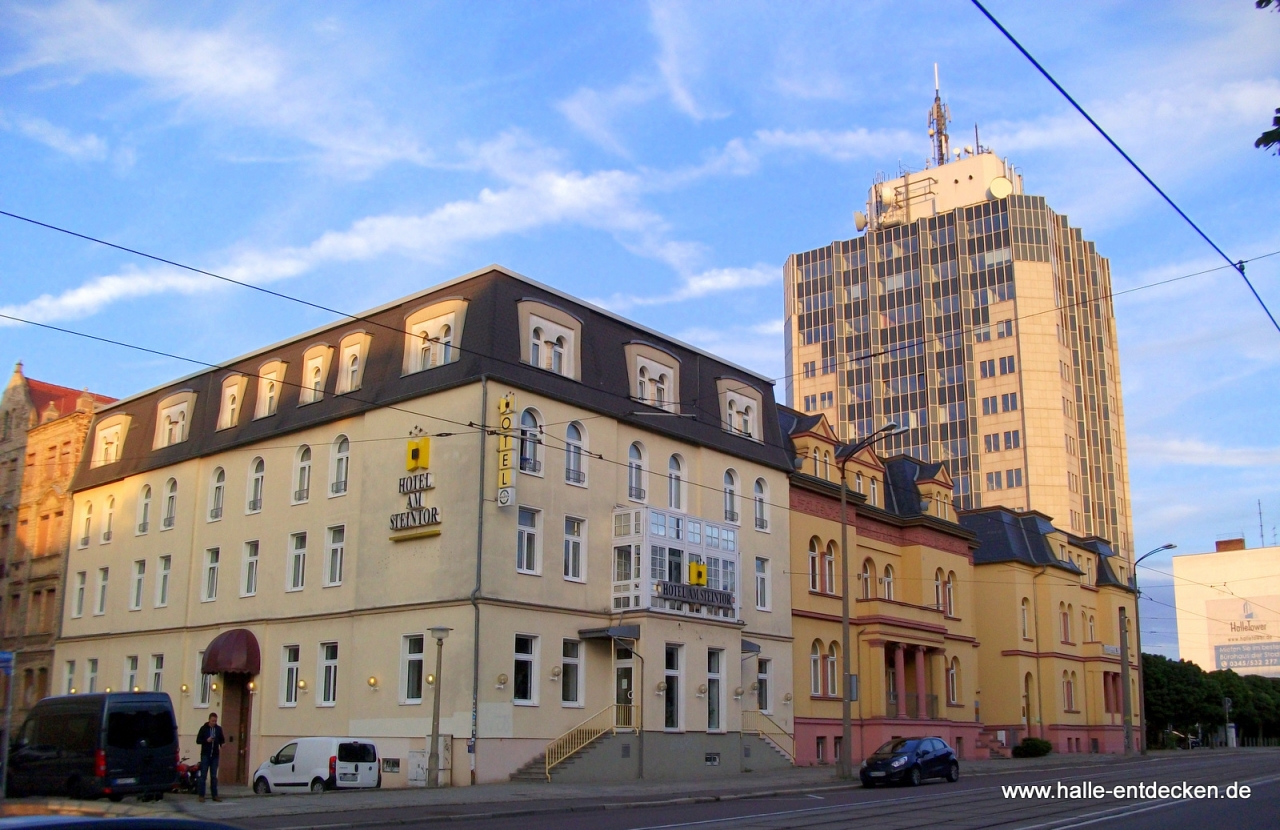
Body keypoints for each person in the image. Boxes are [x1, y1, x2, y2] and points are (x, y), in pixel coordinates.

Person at [195, 712, 226, 802]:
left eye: (215, 721)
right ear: (209, 720)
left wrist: (222, 744)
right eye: (212, 721)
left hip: (215, 756)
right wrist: (206, 740)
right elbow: (198, 740)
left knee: (213, 776)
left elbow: (222, 740)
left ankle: (215, 795)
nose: (214, 722)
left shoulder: (218, 729)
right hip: (205, 755)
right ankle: (201, 795)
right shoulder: (204, 728)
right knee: (203, 776)